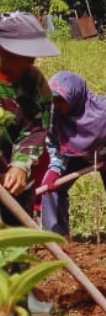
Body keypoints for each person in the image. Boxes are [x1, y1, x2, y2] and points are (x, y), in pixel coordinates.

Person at [40, 72, 106, 248]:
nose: (57, 105)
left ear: (75, 97)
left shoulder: (105, 111)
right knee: (52, 189)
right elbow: (55, 142)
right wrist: (55, 168)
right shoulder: (54, 115)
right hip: (75, 156)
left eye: (61, 100)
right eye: (54, 100)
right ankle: (56, 244)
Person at [0, 13, 57, 216]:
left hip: (13, 177)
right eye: (23, 54)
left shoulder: (34, 82)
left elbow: (35, 129)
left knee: (17, 240)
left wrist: (20, 166)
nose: (32, 60)